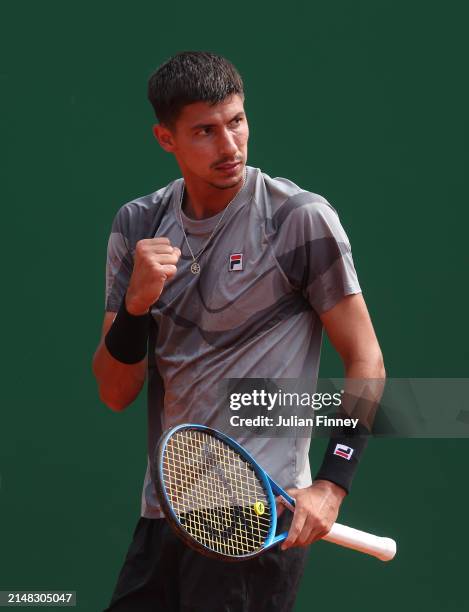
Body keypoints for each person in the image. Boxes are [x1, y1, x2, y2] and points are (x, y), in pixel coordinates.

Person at [93, 51, 385, 612]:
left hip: (254, 519)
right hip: (166, 513)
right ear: (166, 138)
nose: (229, 146)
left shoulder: (298, 218)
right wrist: (134, 308)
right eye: (204, 131)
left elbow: (367, 360)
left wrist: (331, 484)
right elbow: (114, 392)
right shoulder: (137, 225)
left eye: (236, 122)